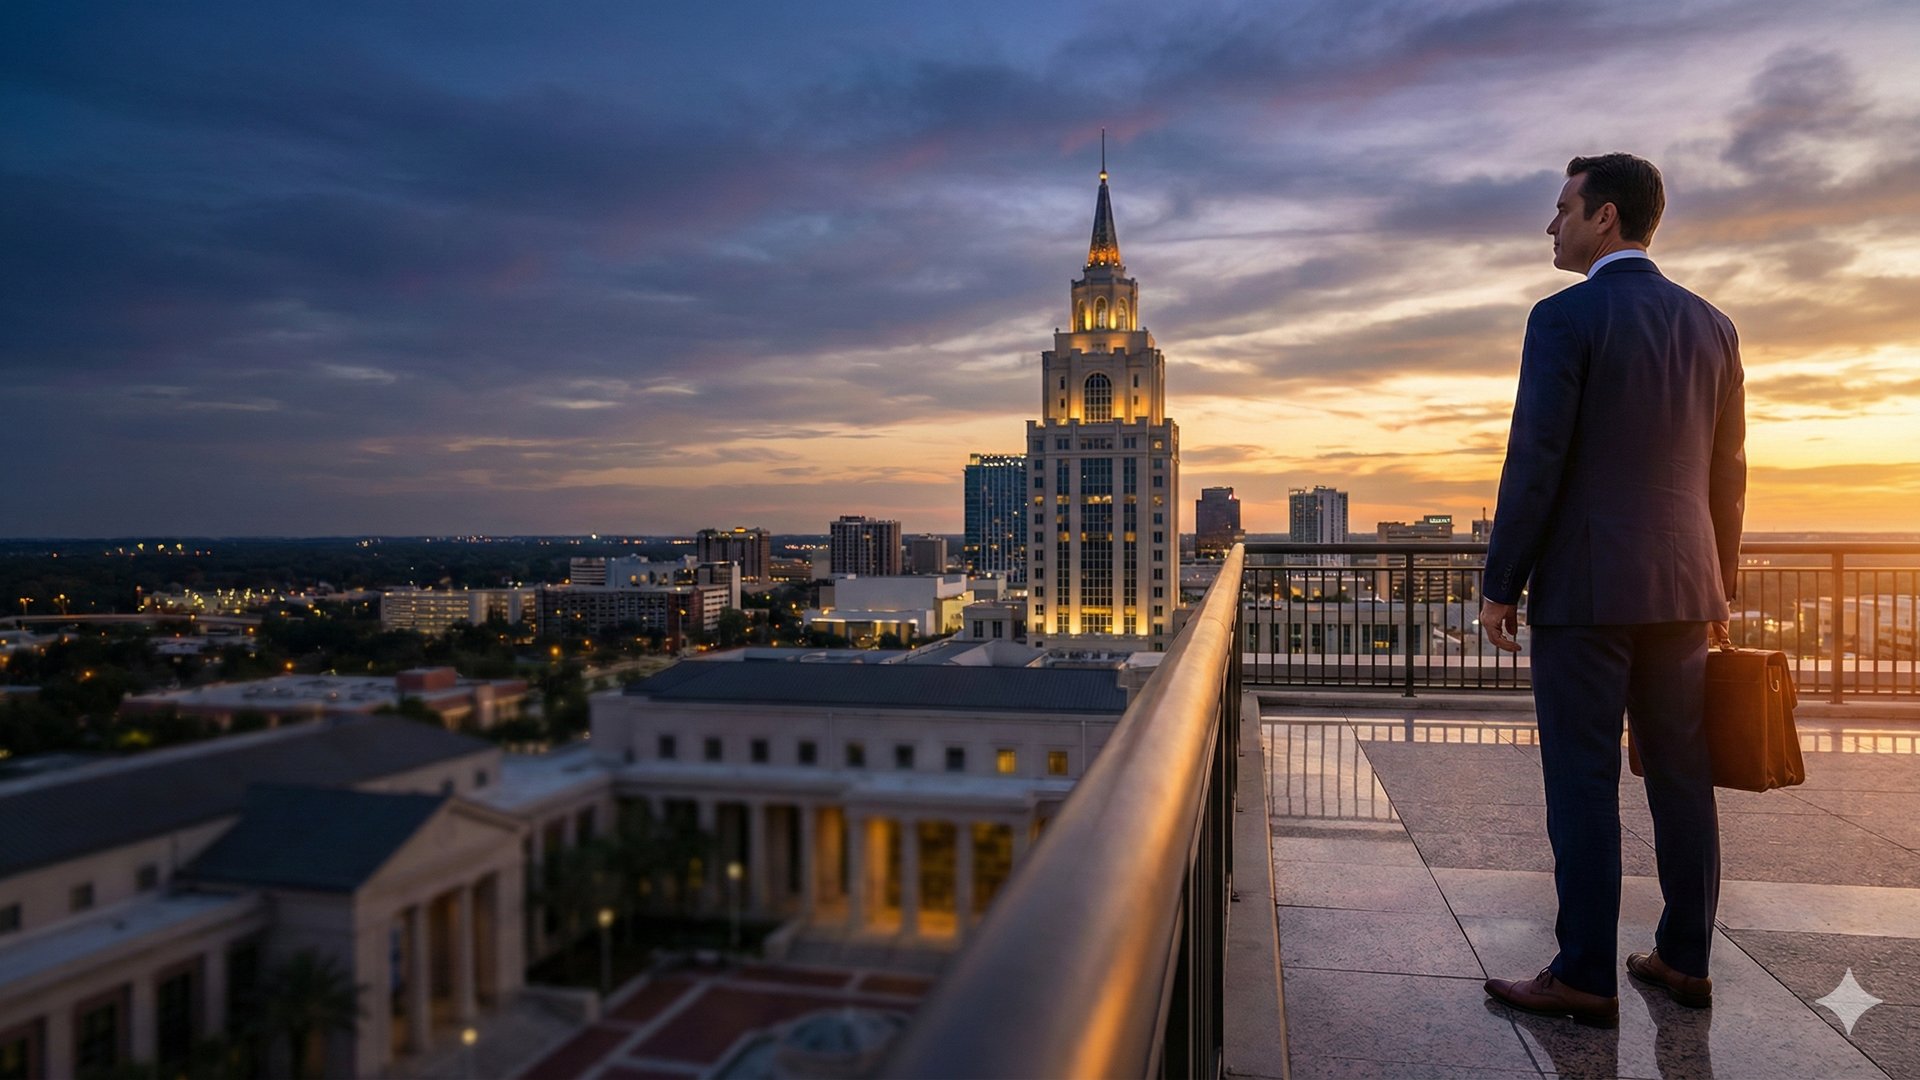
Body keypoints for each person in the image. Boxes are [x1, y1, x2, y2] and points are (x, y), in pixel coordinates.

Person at [1479, 153, 1746, 1028]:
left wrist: (1500, 582)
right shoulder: (1713, 326)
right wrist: (1719, 584)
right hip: (1683, 587)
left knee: (1584, 779)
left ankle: (1586, 970)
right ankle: (1684, 957)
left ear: (1605, 219)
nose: (1550, 226)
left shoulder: (1564, 318)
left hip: (1588, 592)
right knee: (1681, 773)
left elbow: (1536, 460)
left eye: (1562, 209)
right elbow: (1726, 474)